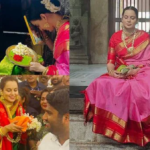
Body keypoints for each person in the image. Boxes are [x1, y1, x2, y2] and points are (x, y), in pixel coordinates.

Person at [83, 6, 150, 147]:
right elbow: (110, 61)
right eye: (126, 17)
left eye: (132, 18)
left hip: (142, 70)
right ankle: (113, 127)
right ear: (122, 18)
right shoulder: (115, 37)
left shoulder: (144, 37)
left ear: (136, 20)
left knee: (141, 86)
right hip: (121, 70)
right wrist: (113, 72)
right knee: (100, 83)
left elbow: (148, 60)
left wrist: (134, 71)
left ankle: (136, 130)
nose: (129, 20)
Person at [27, 0, 70, 75]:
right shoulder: (63, 28)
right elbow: (62, 56)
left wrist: (43, 69)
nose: (40, 29)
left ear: (43, 17)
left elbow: (68, 71)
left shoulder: (66, 33)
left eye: (38, 25)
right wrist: (44, 36)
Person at [0, 76, 27, 150]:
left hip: (16, 146)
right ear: (1, 91)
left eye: (15, 90)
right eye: (8, 90)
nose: (13, 93)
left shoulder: (19, 106)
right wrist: (5, 129)